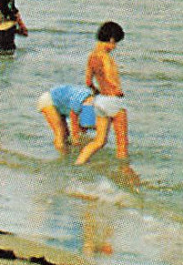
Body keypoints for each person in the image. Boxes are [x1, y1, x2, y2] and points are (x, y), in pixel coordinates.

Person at [76, 21, 128, 166]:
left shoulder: (92, 56)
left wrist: (98, 91)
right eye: (115, 43)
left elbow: (88, 82)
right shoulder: (105, 56)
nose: (115, 47)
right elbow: (109, 75)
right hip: (113, 101)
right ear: (111, 39)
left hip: (100, 101)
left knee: (99, 141)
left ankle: (78, 164)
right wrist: (117, 89)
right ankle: (126, 176)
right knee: (122, 146)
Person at [37, 85, 97, 153]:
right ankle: (62, 158)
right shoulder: (81, 100)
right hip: (48, 100)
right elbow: (74, 122)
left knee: (66, 136)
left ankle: (66, 154)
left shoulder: (89, 103)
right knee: (60, 134)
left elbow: (83, 127)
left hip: (59, 103)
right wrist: (76, 138)